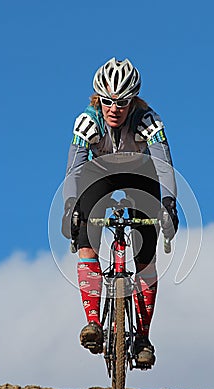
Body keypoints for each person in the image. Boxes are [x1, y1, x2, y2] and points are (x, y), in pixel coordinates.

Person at [62, 57, 178, 367]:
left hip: (141, 175)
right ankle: (94, 325)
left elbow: (165, 167)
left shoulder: (149, 122)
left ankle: (141, 336)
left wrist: (168, 205)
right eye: (108, 101)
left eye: (123, 102)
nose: (115, 108)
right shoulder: (87, 122)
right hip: (98, 175)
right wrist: (70, 207)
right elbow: (74, 170)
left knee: (145, 253)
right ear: (98, 99)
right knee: (85, 237)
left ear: (133, 101)